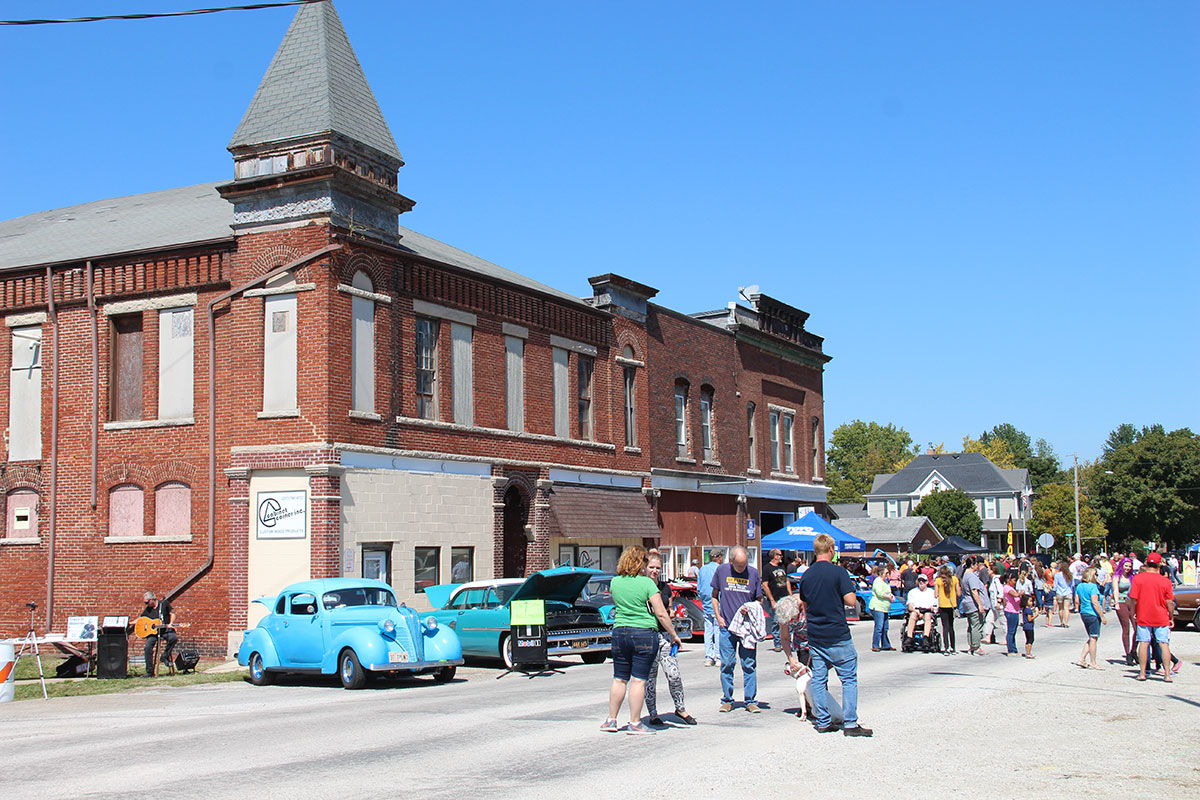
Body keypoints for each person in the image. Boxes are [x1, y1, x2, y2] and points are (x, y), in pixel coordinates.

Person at [602, 546, 683, 734]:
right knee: (638, 681)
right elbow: (661, 613)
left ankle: (611, 720)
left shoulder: (615, 582)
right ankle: (635, 722)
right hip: (643, 633)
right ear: (641, 563)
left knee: (619, 679)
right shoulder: (647, 585)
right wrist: (674, 634)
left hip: (620, 632)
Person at [798, 533, 872, 737]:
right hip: (837, 633)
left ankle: (823, 721)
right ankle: (850, 723)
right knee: (848, 679)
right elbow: (850, 601)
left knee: (820, 679)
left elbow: (804, 604)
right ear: (831, 550)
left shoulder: (807, 575)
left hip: (815, 634)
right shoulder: (839, 573)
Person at [643, 554, 696, 726]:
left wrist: (671, 613)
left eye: (658, 568)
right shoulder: (642, 586)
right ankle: (652, 713)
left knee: (673, 674)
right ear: (645, 567)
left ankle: (680, 709)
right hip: (648, 635)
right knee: (650, 677)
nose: (655, 571)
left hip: (665, 635)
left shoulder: (665, 588)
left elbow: (669, 607)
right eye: (651, 567)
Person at [712, 546, 762, 713]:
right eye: (739, 566)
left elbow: (759, 599)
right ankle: (727, 699)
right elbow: (714, 595)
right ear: (731, 561)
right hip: (727, 626)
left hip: (747, 627)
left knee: (749, 664)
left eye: (744, 565)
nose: (742, 569)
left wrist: (752, 608)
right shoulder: (722, 571)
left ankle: (751, 700)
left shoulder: (753, 573)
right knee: (727, 663)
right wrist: (718, 617)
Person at [1128, 552, 1175, 682]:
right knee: (1164, 644)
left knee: (1144, 643)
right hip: (1161, 616)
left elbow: (1133, 598)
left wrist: (1134, 612)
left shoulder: (1138, 579)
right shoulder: (1165, 581)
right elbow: (1169, 602)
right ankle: (1167, 674)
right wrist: (1171, 617)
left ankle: (1142, 673)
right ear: (1160, 564)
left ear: (1147, 563)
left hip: (1144, 615)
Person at [1072, 566, 1106, 669]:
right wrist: (1102, 615)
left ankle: (1082, 659)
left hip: (1084, 612)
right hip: (1093, 613)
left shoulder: (1080, 586)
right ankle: (1093, 662)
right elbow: (1095, 602)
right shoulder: (1093, 587)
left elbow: (1077, 600)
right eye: (1095, 574)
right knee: (1094, 638)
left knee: (1091, 637)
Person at [137, 591, 177, 676]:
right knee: (148, 647)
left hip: (165, 630)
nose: (146, 604)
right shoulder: (148, 609)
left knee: (173, 638)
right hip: (154, 633)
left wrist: (171, 623)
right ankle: (150, 671)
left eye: (147, 602)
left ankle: (164, 656)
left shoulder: (164, 604)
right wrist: (130, 623)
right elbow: (141, 619)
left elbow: (172, 614)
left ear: (152, 600)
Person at [761, 548, 792, 652]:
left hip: (785, 597)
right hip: (775, 598)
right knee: (776, 620)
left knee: (788, 620)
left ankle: (789, 642)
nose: (781, 557)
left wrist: (790, 595)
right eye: (780, 555)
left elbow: (786, 581)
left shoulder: (782, 566)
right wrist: (772, 600)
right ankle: (778, 643)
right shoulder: (767, 569)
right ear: (775, 556)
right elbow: (765, 585)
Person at [697, 549, 724, 667]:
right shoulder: (719, 569)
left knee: (708, 631)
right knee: (718, 630)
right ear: (720, 558)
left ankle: (709, 656)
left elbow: (699, 588)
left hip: (706, 603)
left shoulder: (702, 569)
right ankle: (718, 656)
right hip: (717, 602)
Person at [961, 558, 991, 656]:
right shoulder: (971, 576)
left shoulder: (965, 575)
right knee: (976, 625)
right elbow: (974, 591)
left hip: (969, 604)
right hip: (973, 605)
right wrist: (980, 605)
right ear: (973, 565)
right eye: (977, 564)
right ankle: (976, 646)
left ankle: (972, 645)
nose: (978, 566)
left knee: (972, 625)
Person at [1113, 556, 1136, 665]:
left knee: (1137, 628)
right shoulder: (1117, 577)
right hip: (1121, 602)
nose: (1127, 568)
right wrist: (1116, 603)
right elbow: (1115, 590)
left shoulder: (1132, 577)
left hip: (1131, 602)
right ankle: (1128, 654)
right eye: (1126, 566)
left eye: (1129, 566)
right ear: (1122, 565)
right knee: (1126, 628)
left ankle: (1134, 650)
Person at [868, 564, 894, 652]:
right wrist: (888, 597)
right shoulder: (877, 581)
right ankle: (875, 645)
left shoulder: (886, 582)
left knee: (885, 627)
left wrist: (892, 596)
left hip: (885, 607)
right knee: (879, 627)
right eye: (886, 573)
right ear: (881, 573)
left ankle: (886, 644)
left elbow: (888, 592)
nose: (887, 574)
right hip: (877, 607)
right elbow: (879, 593)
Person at [935, 565, 960, 656]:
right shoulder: (954, 579)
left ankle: (946, 648)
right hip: (952, 605)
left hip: (942, 605)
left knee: (944, 627)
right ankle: (953, 647)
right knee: (951, 627)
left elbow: (936, 594)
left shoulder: (938, 581)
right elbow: (959, 593)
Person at [905, 573, 937, 643]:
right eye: (919, 581)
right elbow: (910, 605)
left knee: (928, 615)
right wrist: (916, 611)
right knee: (913, 615)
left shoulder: (931, 592)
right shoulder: (912, 592)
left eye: (923, 581)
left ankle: (926, 637)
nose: (921, 582)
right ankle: (909, 637)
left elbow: (934, 606)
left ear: (927, 582)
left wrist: (932, 608)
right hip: (916, 610)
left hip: (927, 611)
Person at [1053, 561, 1074, 628]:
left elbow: (1055, 585)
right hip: (1068, 592)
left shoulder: (1057, 575)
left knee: (1060, 608)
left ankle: (1061, 622)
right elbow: (1072, 585)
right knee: (1066, 608)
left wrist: (1054, 591)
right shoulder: (1070, 575)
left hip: (1060, 592)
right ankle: (1066, 622)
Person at [1021, 593, 1038, 658]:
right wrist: (1036, 615)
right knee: (1031, 639)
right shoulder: (1028, 610)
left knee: (1027, 639)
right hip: (1029, 626)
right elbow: (1029, 619)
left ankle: (1027, 652)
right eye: (1030, 601)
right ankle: (1028, 653)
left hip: (1025, 626)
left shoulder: (1025, 609)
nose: (1031, 603)